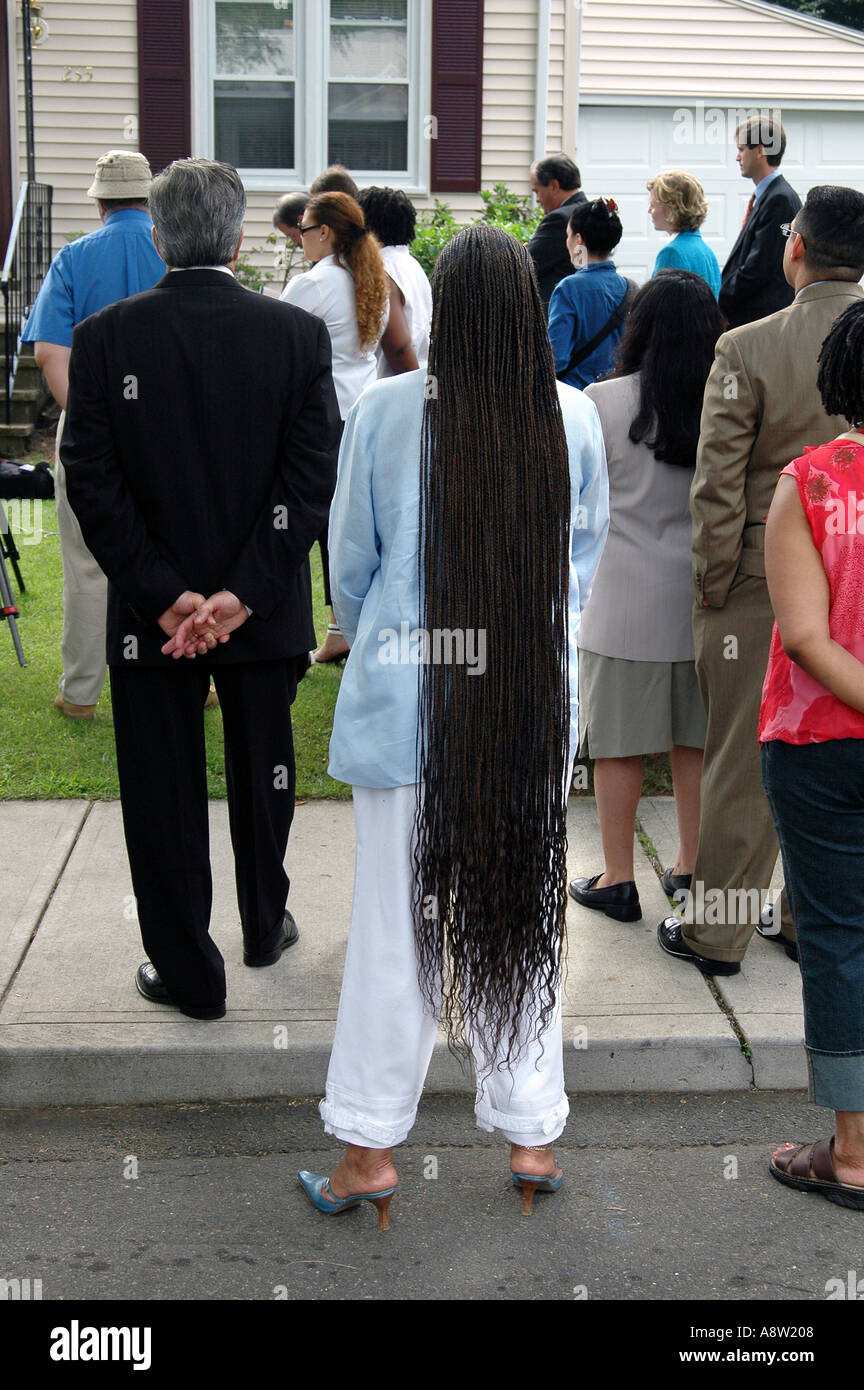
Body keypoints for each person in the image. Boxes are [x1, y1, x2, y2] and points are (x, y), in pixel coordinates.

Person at [296, 226, 609, 1229]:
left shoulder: (385, 412)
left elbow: (351, 565)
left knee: (399, 936)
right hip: (523, 710)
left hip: (408, 712)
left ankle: (367, 1153)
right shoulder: (574, 417)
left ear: (443, 316)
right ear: (528, 311)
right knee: (522, 917)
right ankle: (532, 1134)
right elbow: (581, 566)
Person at [61, 158, 341, 1020]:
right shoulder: (293, 336)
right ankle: (264, 921)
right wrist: (241, 597)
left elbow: (91, 480)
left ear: (156, 235)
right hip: (251, 610)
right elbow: (311, 479)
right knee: (269, 773)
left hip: (161, 618)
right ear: (239, 236)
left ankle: (190, 971)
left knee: (162, 790)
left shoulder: (107, 337)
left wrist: (165, 595)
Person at [657, 184, 864, 977]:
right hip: (855, 580)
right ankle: (810, 922)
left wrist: (712, 589)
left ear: (796, 248)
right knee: (836, 749)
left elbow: (716, 486)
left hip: (759, 581)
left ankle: (718, 933)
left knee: (744, 763)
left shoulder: (747, 346)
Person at [569, 271, 723, 923]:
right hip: (699, 596)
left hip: (620, 595)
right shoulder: (725, 396)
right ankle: (689, 867)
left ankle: (618, 878)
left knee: (617, 745)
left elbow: (575, 502)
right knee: (695, 741)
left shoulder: (599, 402)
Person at [762, 299, 864, 1210]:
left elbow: (804, 637)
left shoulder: (811, 482)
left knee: (836, 938)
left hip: (822, 746)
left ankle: (853, 1150)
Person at [21, 150, 165, 720]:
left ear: (100, 201)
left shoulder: (74, 257)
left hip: (91, 428)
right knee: (175, 551)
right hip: (169, 431)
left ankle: (80, 692)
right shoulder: (172, 252)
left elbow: (51, 352)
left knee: (87, 562)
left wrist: (89, 421)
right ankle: (192, 675)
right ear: (147, 199)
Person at [281, 192, 389, 664]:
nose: (300, 239)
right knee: (348, 523)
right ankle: (342, 625)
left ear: (324, 231)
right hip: (360, 410)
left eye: (303, 229)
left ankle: (324, 627)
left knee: (305, 519)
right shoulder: (368, 277)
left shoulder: (317, 283)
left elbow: (276, 343)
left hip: (321, 416)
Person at [719, 116, 800, 328]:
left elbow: (757, 269)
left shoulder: (779, 200)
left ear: (761, 150)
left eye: (742, 149)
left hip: (759, 323)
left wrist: (721, 302)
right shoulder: (769, 196)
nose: (737, 157)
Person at [548, 198, 635, 390]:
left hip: (579, 395)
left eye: (568, 235)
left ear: (578, 240)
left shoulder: (569, 289)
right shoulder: (631, 289)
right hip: (620, 396)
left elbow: (556, 358)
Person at [356, 186, 432, 375]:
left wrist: (414, 391)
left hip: (397, 386)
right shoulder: (411, 264)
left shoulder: (382, 270)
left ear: (369, 230)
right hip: (423, 375)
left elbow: (398, 347)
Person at [527, 153, 587, 310]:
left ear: (553, 185)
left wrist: (522, 251)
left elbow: (527, 263)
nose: (538, 199)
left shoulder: (559, 219)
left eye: (537, 191)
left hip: (559, 310)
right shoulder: (586, 210)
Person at [647, 170, 721, 296]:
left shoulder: (672, 253)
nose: (649, 211)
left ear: (671, 208)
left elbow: (657, 307)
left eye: (653, 205)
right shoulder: (706, 252)